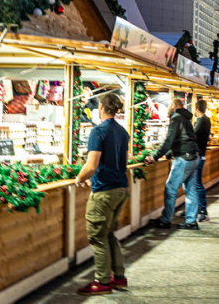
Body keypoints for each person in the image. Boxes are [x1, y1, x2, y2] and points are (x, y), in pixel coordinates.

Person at [74, 94, 130, 295]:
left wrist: (80, 178)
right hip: (121, 188)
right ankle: (119, 277)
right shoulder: (123, 132)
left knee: (97, 237)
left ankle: (102, 281)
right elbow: (122, 162)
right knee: (109, 234)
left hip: (104, 191)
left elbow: (91, 164)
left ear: (101, 107)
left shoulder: (98, 132)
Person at [145, 98, 200, 230]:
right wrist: (169, 154)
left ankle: (165, 220)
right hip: (193, 156)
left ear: (174, 105)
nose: (168, 108)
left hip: (184, 157)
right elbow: (180, 139)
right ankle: (192, 221)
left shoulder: (176, 117)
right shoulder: (186, 118)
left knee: (171, 188)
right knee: (191, 189)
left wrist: (155, 156)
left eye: (170, 105)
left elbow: (170, 139)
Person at [192, 99, 212, 222]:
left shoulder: (203, 120)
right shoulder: (203, 120)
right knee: (193, 183)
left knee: (197, 183)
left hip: (199, 155)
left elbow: (193, 135)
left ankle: (203, 210)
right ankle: (195, 208)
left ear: (196, 108)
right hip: (199, 154)